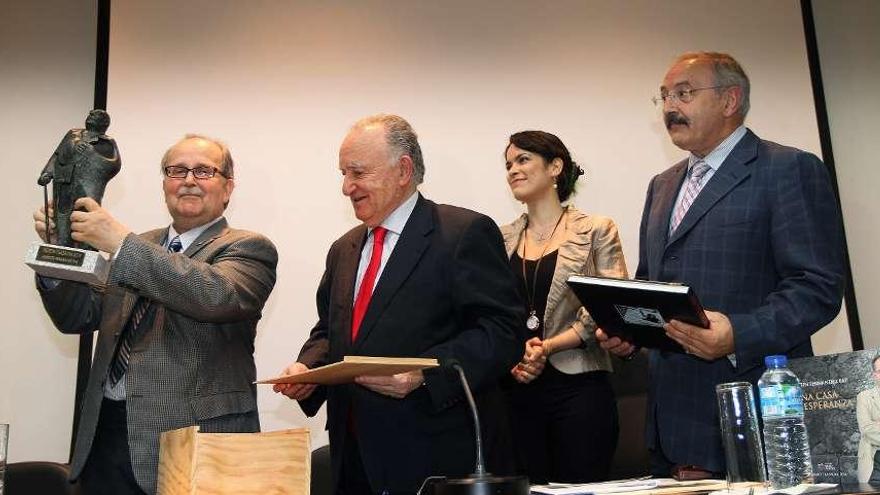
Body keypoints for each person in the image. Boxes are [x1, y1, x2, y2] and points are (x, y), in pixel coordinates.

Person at [597, 52, 846, 477]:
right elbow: (653, 283)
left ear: (730, 100)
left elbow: (817, 287)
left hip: (751, 417)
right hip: (668, 426)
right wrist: (629, 331)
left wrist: (738, 334)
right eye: (663, 96)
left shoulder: (787, 169)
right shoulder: (662, 185)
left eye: (684, 93)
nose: (670, 107)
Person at [274, 114, 523, 494]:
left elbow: (501, 332)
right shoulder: (344, 249)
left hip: (433, 456)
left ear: (403, 170)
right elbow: (331, 331)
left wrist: (424, 374)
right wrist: (308, 368)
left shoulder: (463, 233)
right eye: (343, 173)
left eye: (357, 172)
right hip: (354, 458)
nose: (346, 187)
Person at [33, 134, 278, 495]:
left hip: (193, 441)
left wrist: (120, 243)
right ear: (164, 184)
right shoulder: (139, 245)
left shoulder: (247, 247)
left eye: (203, 171)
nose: (189, 180)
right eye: (176, 170)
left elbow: (216, 295)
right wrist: (58, 255)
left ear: (227, 188)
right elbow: (79, 316)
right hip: (107, 438)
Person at [500, 130, 626, 483]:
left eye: (523, 160)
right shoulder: (500, 238)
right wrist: (517, 351)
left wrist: (549, 346)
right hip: (517, 387)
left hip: (580, 387)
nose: (513, 170)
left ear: (556, 166)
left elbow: (609, 301)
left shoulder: (597, 229)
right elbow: (494, 310)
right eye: (508, 164)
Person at [38, 109, 122, 248]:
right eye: (90, 115)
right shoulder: (72, 134)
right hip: (64, 181)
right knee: (62, 216)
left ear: (103, 123)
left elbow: (114, 164)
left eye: (94, 117)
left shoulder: (108, 142)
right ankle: (61, 246)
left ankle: (85, 249)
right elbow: (57, 154)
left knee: (84, 218)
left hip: (86, 187)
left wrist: (92, 153)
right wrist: (47, 172)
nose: (90, 118)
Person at [857, 355, 880, 483]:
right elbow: (867, 430)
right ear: (874, 375)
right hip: (875, 464)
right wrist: (874, 426)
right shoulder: (864, 397)